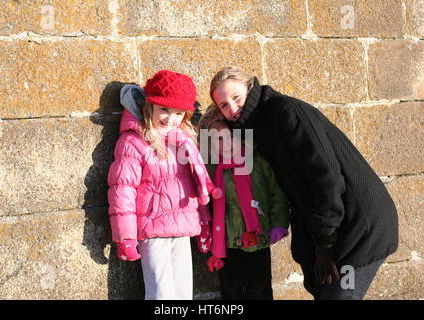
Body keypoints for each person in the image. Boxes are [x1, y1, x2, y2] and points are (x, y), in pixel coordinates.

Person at [208, 66, 399, 300]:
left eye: (236, 97)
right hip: (332, 230)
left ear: (250, 88)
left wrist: (326, 242)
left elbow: (325, 178)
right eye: (223, 105)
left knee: (340, 296)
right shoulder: (257, 128)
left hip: (358, 226)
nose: (232, 109)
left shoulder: (286, 112)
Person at [107, 70, 218, 300]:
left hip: (183, 227)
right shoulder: (134, 141)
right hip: (154, 230)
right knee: (161, 294)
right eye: (164, 110)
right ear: (150, 106)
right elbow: (122, 190)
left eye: (178, 113)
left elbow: (197, 183)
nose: (170, 119)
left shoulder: (184, 139)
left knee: (183, 293)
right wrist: (125, 237)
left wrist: (204, 222)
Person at [197, 106, 290, 300]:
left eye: (228, 135)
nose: (226, 143)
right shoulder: (212, 169)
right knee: (231, 291)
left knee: (259, 290)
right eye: (218, 140)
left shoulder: (257, 161)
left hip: (258, 238)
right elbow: (205, 204)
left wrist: (279, 223)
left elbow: (276, 193)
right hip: (227, 242)